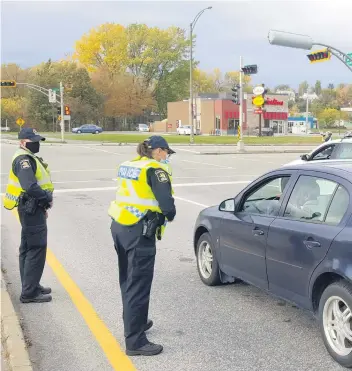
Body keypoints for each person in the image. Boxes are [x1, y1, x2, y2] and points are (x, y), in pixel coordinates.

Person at [108, 135, 176, 356]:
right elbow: (167, 206)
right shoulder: (155, 169)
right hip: (139, 231)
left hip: (120, 225)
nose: (167, 157)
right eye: (166, 152)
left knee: (128, 279)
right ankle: (135, 342)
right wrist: (169, 214)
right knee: (138, 284)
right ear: (158, 151)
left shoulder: (129, 165)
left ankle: (136, 321)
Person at [3, 128, 54, 303]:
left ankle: (31, 285)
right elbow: (30, 186)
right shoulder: (23, 159)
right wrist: (46, 198)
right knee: (36, 248)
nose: (37, 143)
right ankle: (29, 292)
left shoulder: (26, 157)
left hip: (29, 208)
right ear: (23, 142)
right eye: (34, 140)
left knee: (27, 247)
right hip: (31, 208)